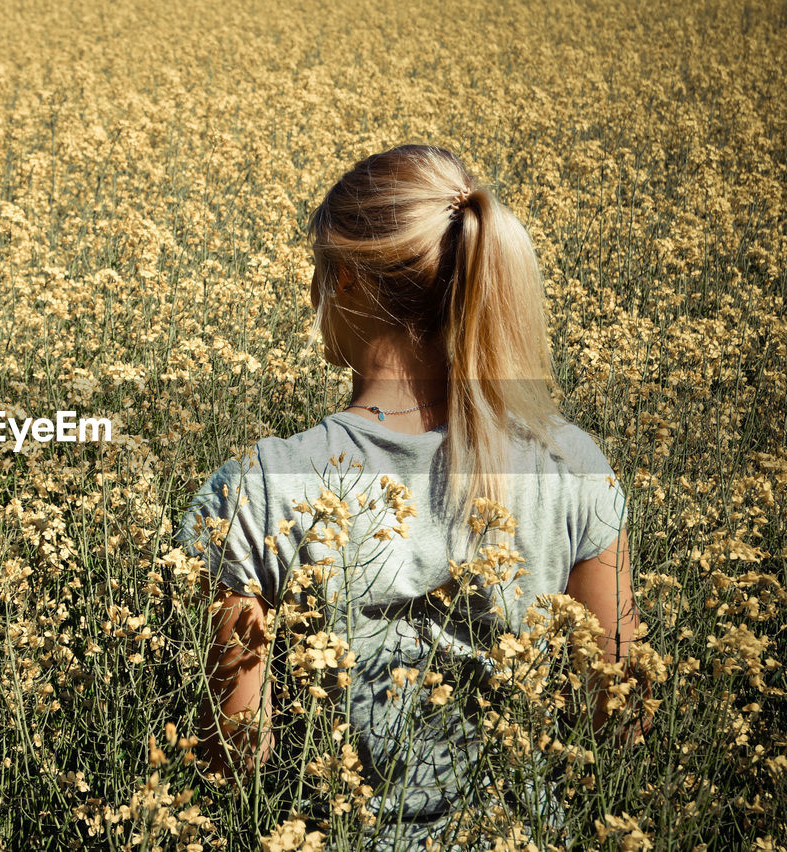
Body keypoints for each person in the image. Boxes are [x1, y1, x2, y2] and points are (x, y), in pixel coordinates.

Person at [176, 145, 651, 849]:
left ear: (343, 279)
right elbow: (622, 718)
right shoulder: (571, 466)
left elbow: (239, 751)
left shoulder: (260, 487)